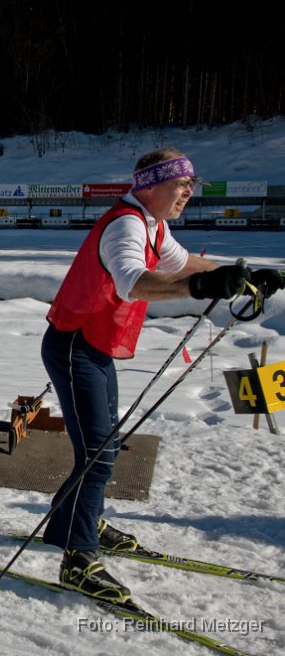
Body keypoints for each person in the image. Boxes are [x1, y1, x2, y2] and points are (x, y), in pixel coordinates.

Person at [40, 148, 283, 602]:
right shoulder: (126, 225)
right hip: (75, 345)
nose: (190, 192)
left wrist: (236, 276)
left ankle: (79, 517)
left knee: (104, 445)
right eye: (180, 184)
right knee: (98, 453)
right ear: (150, 185)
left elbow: (181, 262)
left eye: (193, 184)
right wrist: (201, 287)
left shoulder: (153, 224)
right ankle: (78, 558)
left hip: (91, 345)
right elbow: (133, 280)